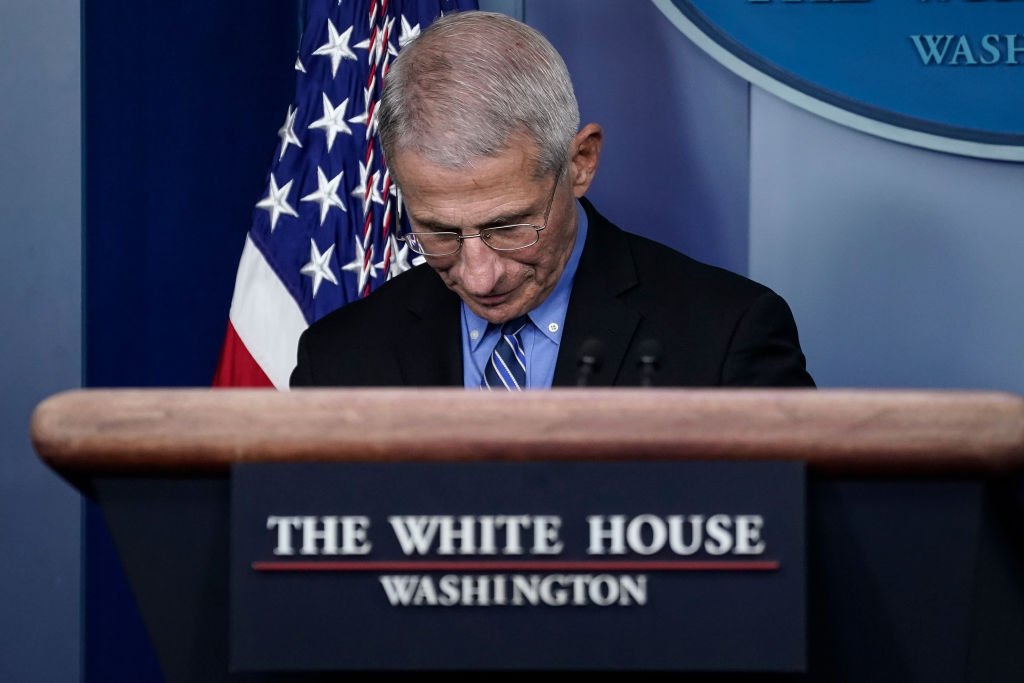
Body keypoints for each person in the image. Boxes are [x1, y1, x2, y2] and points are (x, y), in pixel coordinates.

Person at [290, 10, 814, 389]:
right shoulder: (338, 360)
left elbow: (785, 535)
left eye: (509, 227)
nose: (478, 277)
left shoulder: (726, 336)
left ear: (581, 161)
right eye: (440, 233)